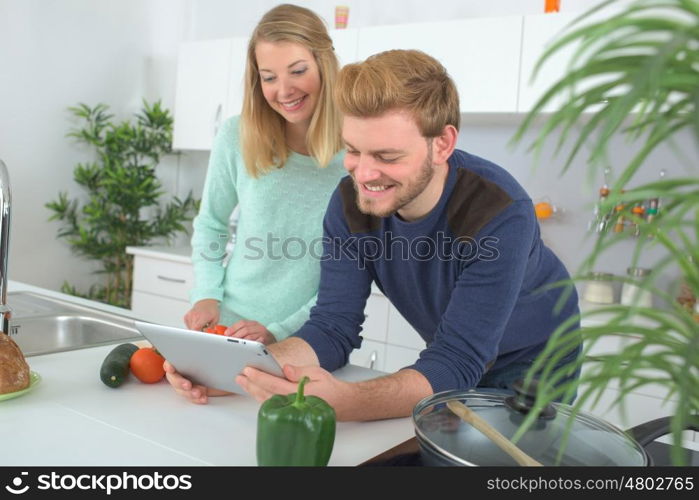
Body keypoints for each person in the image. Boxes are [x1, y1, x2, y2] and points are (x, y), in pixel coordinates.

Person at [174, 49, 582, 419]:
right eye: (353, 150)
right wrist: (231, 371)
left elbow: (456, 360)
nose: (364, 175)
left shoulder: (499, 212)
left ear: (442, 144)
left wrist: (350, 401)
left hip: (535, 363)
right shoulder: (350, 203)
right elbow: (333, 326)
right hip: (454, 361)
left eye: (387, 156)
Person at [180, 4, 346, 349]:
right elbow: (211, 223)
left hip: (308, 337)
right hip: (228, 329)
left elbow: (350, 274)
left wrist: (279, 330)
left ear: (324, 64)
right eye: (269, 77)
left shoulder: (357, 153)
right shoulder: (236, 135)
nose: (283, 90)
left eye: (297, 71)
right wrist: (206, 295)